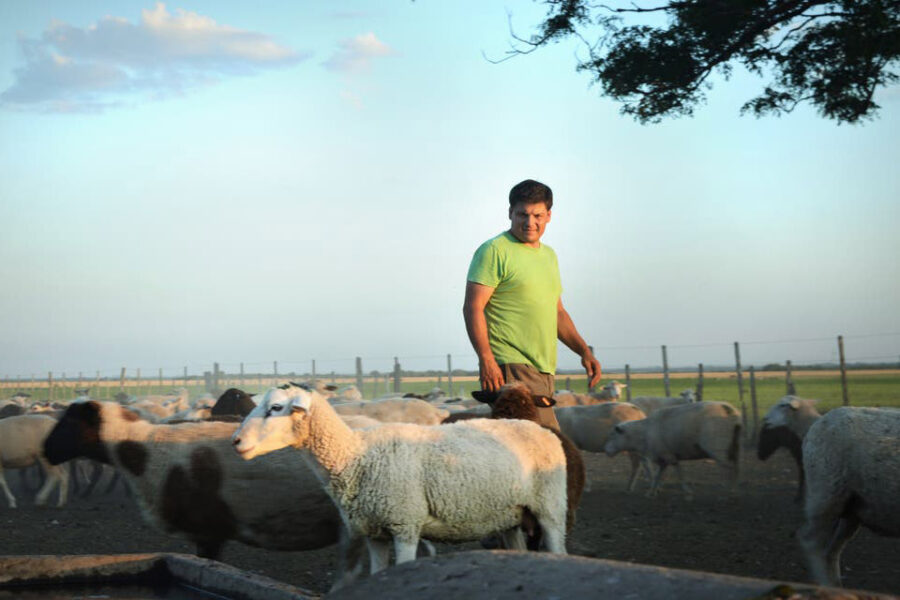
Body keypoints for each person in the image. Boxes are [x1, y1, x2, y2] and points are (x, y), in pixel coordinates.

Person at [464, 179, 601, 430]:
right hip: (511, 366)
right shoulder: (494, 250)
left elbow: (557, 312)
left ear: (549, 215)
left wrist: (584, 351)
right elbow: (473, 307)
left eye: (537, 215)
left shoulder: (548, 256)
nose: (530, 222)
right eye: (522, 214)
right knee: (548, 448)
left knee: (530, 453)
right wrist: (486, 359)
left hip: (543, 368)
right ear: (510, 213)